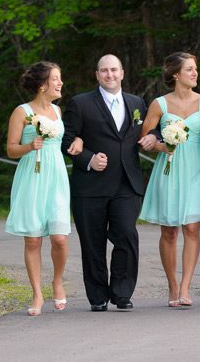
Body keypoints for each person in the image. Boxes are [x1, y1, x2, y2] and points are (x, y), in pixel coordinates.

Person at [61, 54, 150, 312]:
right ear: (97, 75)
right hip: (90, 186)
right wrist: (88, 159)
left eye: (114, 70)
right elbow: (66, 140)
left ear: (122, 72)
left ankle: (122, 292)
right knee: (93, 243)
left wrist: (155, 139)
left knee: (126, 235)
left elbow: (147, 132)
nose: (109, 75)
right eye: (104, 71)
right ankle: (98, 295)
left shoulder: (137, 103)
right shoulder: (80, 103)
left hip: (126, 183)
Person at [137, 52, 200, 308]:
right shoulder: (159, 104)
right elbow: (146, 137)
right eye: (189, 69)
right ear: (175, 74)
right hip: (169, 167)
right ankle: (172, 285)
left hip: (195, 166)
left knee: (192, 227)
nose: (195, 74)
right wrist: (159, 145)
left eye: (195, 69)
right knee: (169, 230)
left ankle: (186, 287)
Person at [5, 61, 73, 316]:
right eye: (56, 79)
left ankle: (57, 280)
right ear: (43, 85)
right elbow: (11, 149)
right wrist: (28, 146)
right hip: (31, 176)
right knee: (33, 239)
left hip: (55, 175)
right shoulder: (21, 112)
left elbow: (61, 142)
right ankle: (36, 293)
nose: (60, 83)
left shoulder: (58, 111)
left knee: (59, 237)